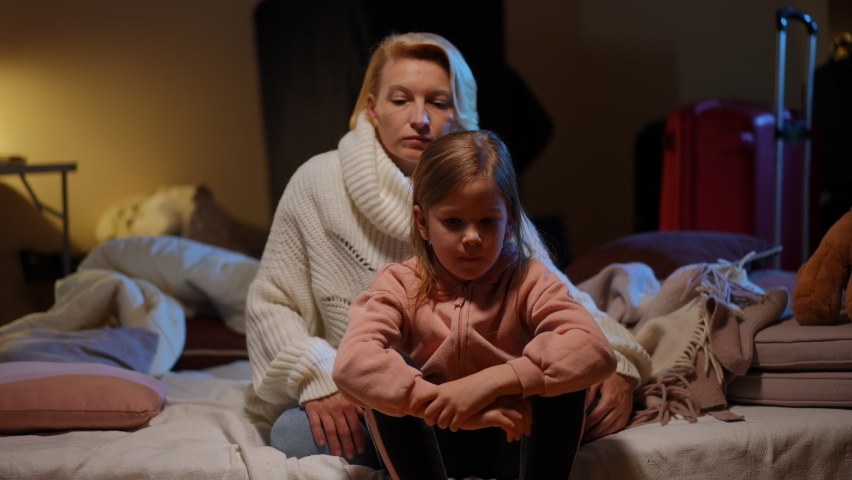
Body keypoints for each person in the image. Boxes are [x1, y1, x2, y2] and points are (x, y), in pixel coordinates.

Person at [245, 32, 651, 468]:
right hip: (387, 399)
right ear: (371, 107)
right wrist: (318, 375)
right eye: (400, 100)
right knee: (293, 433)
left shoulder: (486, 186)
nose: (420, 118)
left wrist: (616, 365)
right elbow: (271, 303)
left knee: (575, 395)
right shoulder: (317, 182)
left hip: (496, 391)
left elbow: (558, 295)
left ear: (462, 115)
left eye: (438, 102)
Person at [333, 129, 617, 480]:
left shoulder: (530, 279)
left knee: (565, 372)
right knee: (388, 371)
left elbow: (596, 350)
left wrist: (493, 382)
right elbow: (350, 364)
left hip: (512, 433)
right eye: (453, 222)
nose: (471, 237)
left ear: (509, 220)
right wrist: (441, 403)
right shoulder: (399, 284)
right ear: (423, 222)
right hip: (433, 438)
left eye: (488, 221)